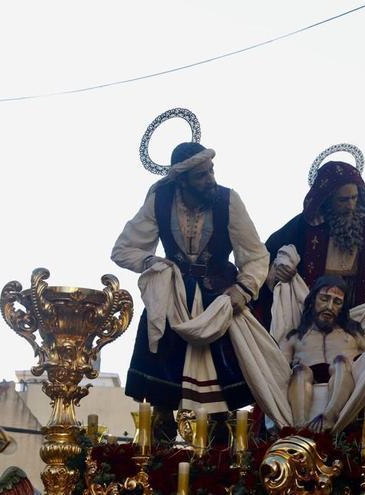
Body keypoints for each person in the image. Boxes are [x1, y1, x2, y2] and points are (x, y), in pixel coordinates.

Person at [111, 142, 269, 440]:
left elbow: (256, 255)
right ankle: (157, 455)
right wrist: (152, 262)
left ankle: (220, 458)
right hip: (172, 301)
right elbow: (123, 249)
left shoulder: (228, 200)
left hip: (218, 300)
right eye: (201, 175)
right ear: (182, 180)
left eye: (211, 171)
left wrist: (244, 289)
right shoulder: (160, 200)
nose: (210, 179)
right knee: (161, 396)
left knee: (222, 396)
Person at [260, 161, 365, 320]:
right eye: (343, 200)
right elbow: (265, 256)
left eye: (354, 198)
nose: (350, 206)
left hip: (358, 316)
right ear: (327, 200)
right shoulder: (306, 226)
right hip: (312, 316)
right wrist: (280, 268)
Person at [280, 275, 365, 431]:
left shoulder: (354, 334)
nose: (329, 307)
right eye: (324, 299)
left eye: (337, 302)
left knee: (341, 363)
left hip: (346, 409)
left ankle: (330, 416)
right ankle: (299, 426)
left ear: (343, 307)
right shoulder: (294, 338)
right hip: (303, 398)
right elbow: (277, 377)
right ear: (313, 299)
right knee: (299, 371)